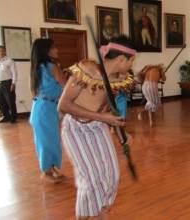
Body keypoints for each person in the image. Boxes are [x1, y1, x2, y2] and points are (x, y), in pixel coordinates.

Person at [58, 35, 135, 219]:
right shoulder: (86, 71)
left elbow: (111, 109)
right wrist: (102, 117)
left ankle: (100, 211)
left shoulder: (119, 78)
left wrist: (120, 132)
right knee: (91, 180)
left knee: (112, 176)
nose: (132, 64)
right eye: (131, 60)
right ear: (121, 59)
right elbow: (63, 105)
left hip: (98, 128)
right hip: (76, 129)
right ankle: (84, 216)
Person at [29, 38, 67, 184]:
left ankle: (51, 168)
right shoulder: (52, 66)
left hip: (43, 108)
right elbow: (65, 85)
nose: (57, 50)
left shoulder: (38, 68)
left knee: (51, 140)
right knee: (47, 141)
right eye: (53, 48)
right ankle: (46, 171)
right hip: (45, 109)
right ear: (46, 51)